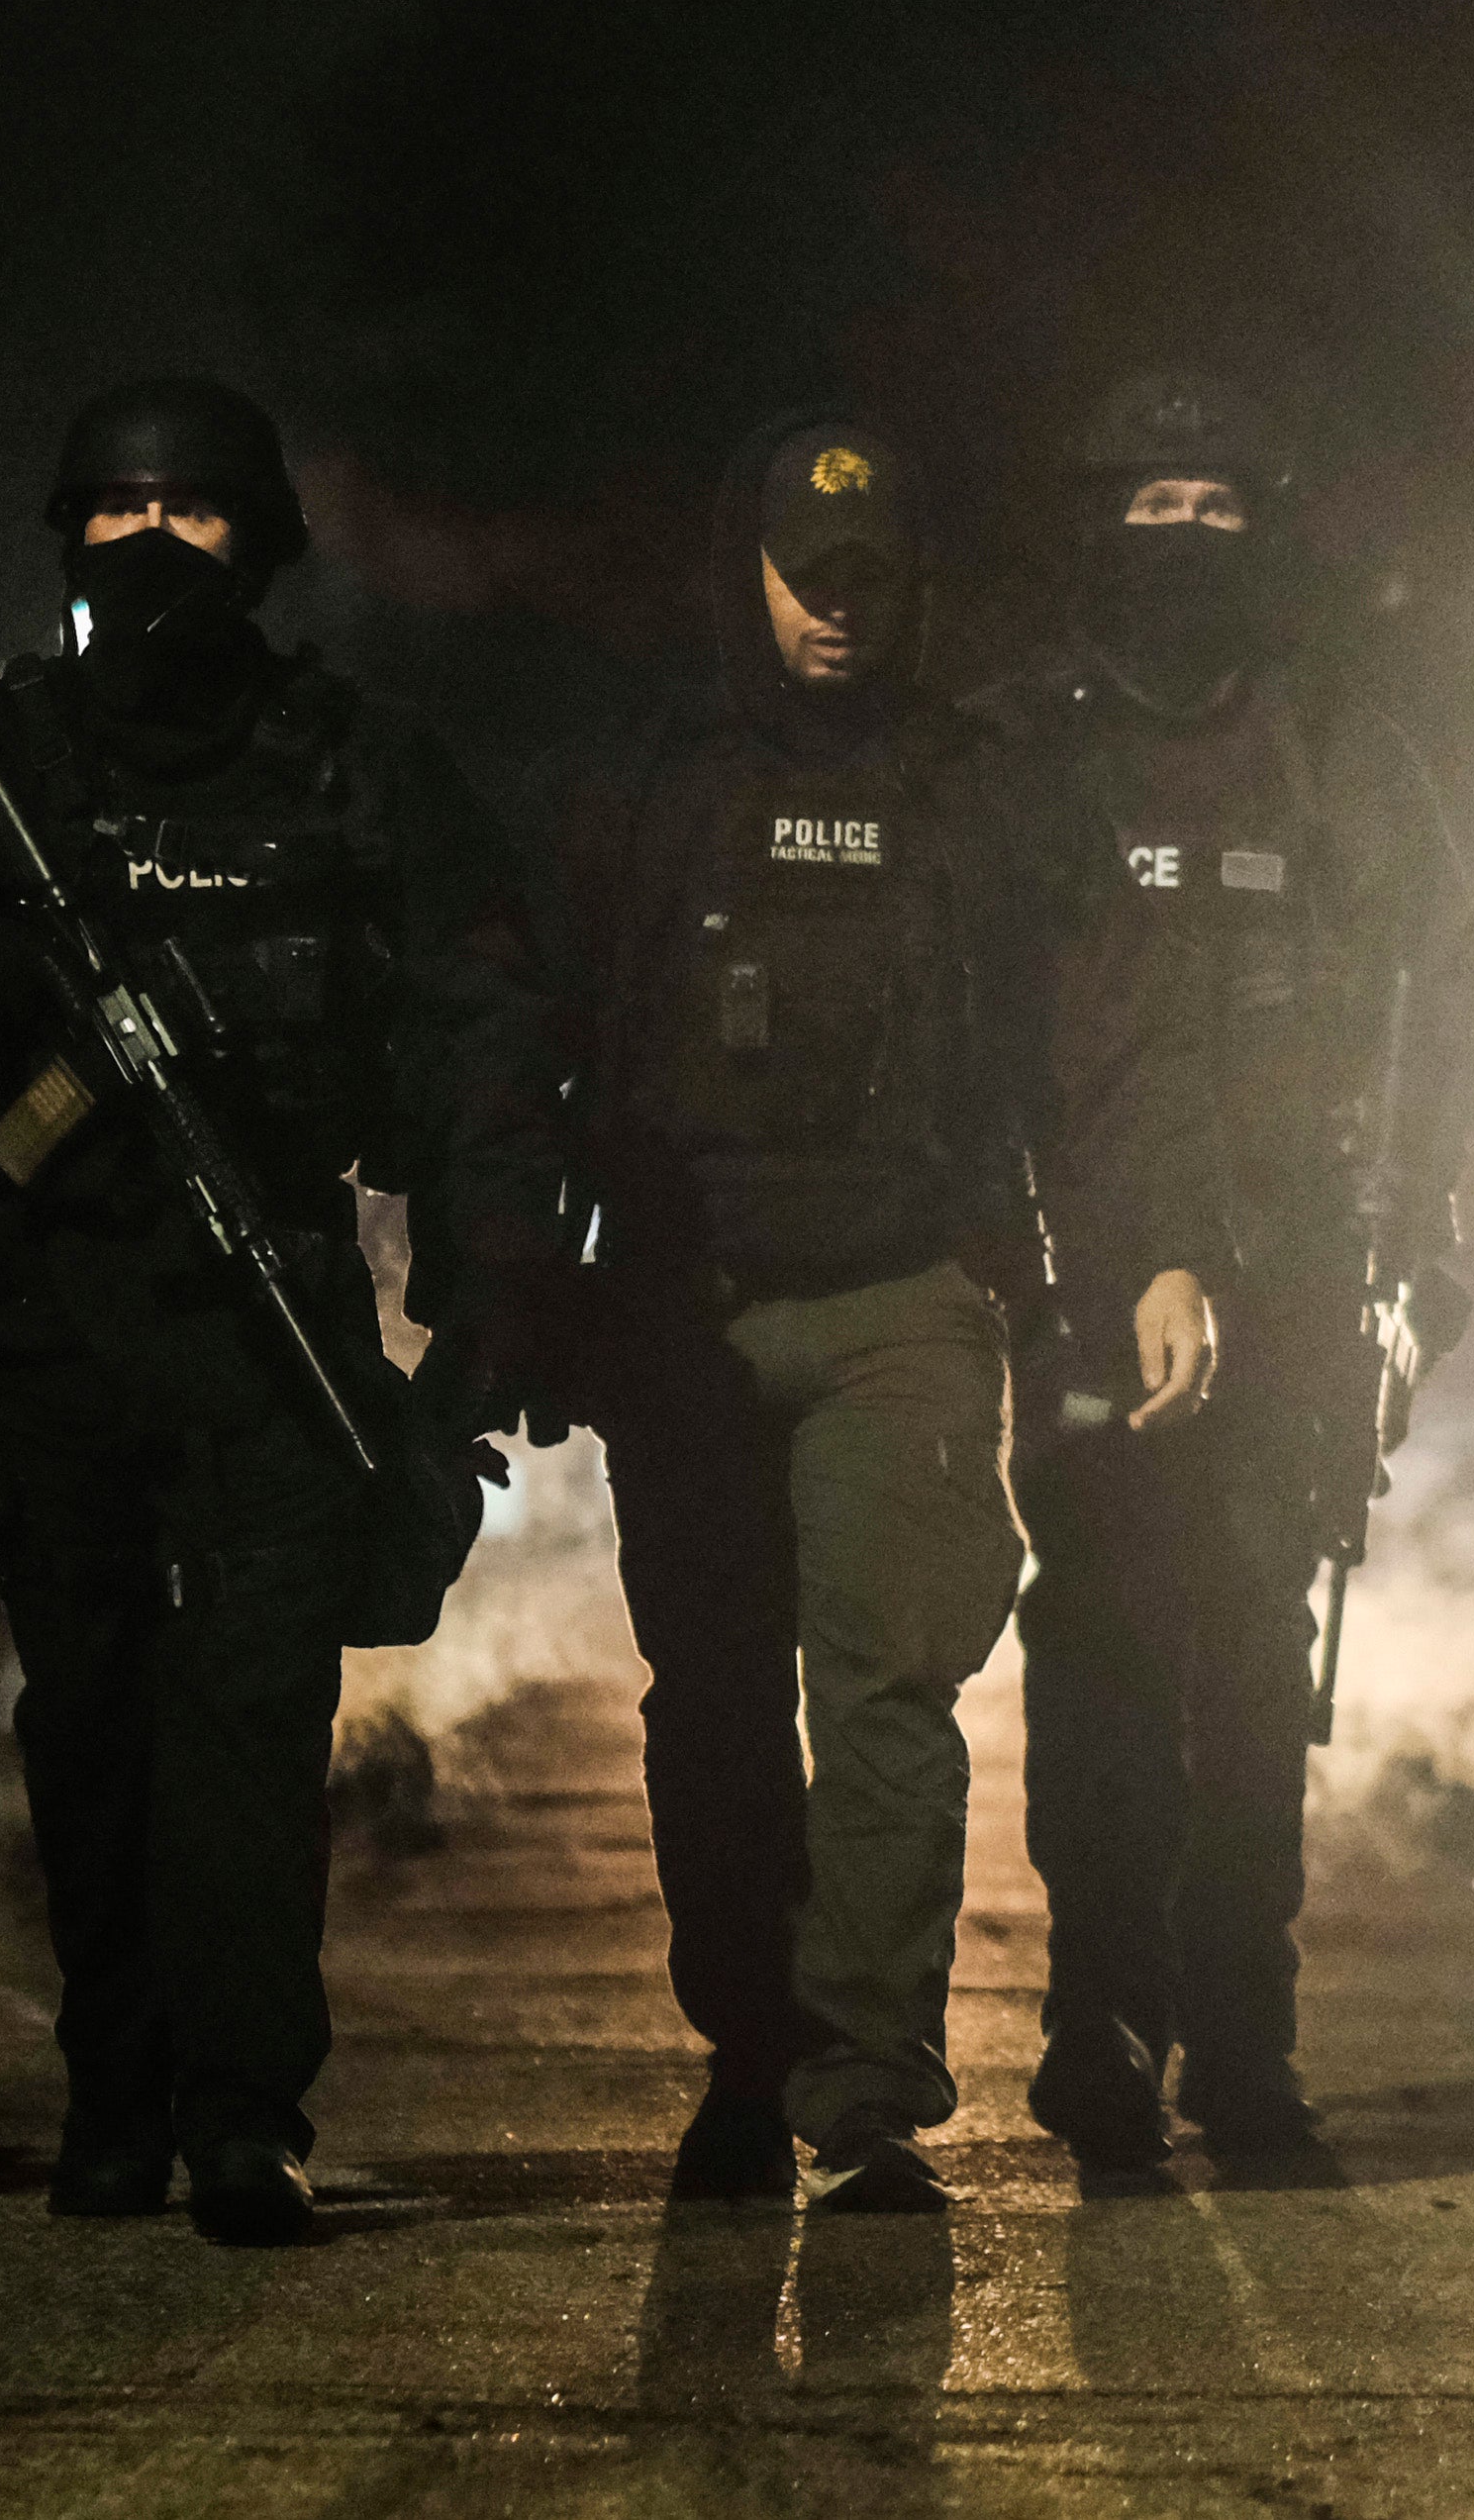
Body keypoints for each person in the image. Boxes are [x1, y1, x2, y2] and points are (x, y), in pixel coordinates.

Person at [0, 377, 559, 2246]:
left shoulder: (358, 761)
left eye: (191, 512)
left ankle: (241, 2110)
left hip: (264, 1310)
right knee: (92, 1724)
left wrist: (492, 1272)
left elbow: (483, 1031)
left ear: (259, 544)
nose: (149, 543)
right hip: (45, 1324)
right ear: (65, 539)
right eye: (113, 510)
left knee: (255, 1726)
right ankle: (111, 2092)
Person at [967, 370, 1474, 2170]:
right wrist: (1056, 1265)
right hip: (1085, 1281)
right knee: (1101, 1654)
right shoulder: (1024, 755)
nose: (1183, 542)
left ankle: (1242, 2048)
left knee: (1254, 1671)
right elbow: (982, 1034)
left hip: (1301, 1283)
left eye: (1218, 507)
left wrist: (1415, 1268)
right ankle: (1098, 2030)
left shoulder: (1342, 749)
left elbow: (1437, 1018)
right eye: (1147, 505)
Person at [540, 412, 1043, 2214]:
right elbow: (550, 1035)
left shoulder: (975, 784)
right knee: (716, 1707)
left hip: (901, 1298)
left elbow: (1072, 1042)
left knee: (894, 1698)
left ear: (912, 585)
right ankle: (745, 2053)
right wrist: (534, 1281)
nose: (834, 613)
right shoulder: (655, 781)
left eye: (867, 580)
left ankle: (866, 2088)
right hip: (690, 1305)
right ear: (742, 571)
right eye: (801, 577)